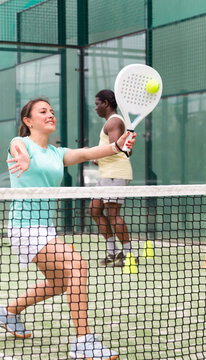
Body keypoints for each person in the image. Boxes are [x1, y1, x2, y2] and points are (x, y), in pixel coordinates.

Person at [0, 98, 134, 359]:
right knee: (78, 265)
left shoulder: (57, 154)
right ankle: (83, 342)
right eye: (42, 112)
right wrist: (21, 156)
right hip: (24, 226)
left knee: (59, 282)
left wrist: (116, 145)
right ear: (28, 121)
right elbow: (16, 145)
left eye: (52, 111)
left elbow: (89, 153)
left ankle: (8, 312)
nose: (50, 115)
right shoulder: (21, 144)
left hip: (45, 227)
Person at [89, 89, 134, 267]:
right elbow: (126, 149)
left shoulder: (114, 121)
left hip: (115, 174)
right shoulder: (112, 122)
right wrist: (97, 159)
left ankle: (129, 254)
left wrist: (93, 155)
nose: (95, 108)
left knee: (113, 215)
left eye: (97, 104)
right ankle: (113, 251)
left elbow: (116, 147)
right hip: (107, 173)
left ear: (106, 104)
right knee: (94, 210)